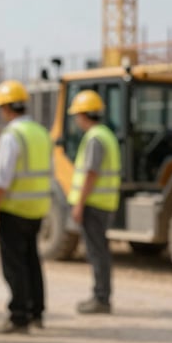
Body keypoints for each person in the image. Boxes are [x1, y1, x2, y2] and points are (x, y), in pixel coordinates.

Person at [0, 80, 53, 333]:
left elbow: (2, 179)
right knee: (32, 261)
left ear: (5, 108)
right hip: (37, 207)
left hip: (14, 209)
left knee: (14, 265)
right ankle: (37, 313)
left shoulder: (11, 136)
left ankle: (18, 317)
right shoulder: (41, 132)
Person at [67, 89, 121, 314]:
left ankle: (101, 298)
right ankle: (102, 295)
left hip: (94, 204)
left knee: (97, 252)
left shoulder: (94, 138)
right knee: (100, 250)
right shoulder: (106, 134)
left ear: (83, 115)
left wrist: (79, 204)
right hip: (104, 202)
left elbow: (91, 173)